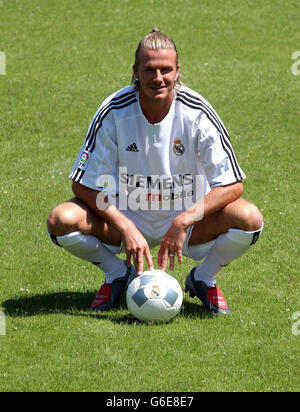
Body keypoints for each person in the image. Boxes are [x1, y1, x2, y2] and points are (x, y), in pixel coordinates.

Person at [47, 29, 263, 315]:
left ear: (177, 71)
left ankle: (203, 278)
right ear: (135, 71)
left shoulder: (197, 112)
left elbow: (232, 185)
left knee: (249, 218)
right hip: (125, 217)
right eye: (149, 70)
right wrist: (125, 226)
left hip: (188, 222)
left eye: (165, 70)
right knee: (61, 219)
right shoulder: (114, 110)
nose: (157, 78)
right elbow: (83, 185)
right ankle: (117, 275)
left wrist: (185, 219)